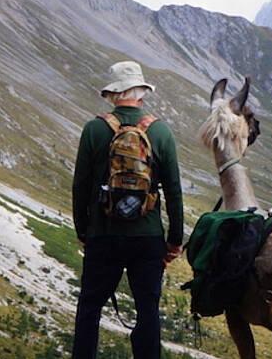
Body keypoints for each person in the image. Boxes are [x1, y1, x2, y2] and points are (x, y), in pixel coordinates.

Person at [70, 61, 184, 359]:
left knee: (90, 309)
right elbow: (173, 191)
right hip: (147, 238)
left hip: (103, 235)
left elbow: (80, 186)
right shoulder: (160, 133)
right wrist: (173, 241)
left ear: (113, 94)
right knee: (148, 311)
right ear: (141, 94)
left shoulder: (94, 129)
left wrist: (84, 231)